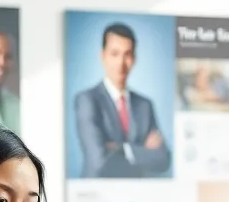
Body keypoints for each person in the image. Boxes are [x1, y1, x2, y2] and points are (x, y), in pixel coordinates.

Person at [73, 23, 171, 178]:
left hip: (136, 194)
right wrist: (142, 152)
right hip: (97, 195)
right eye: (114, 54)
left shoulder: (145, 105)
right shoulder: (87, 100)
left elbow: (163, 159)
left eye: (127, 54)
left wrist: (122, 150)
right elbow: (99, 161)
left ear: (134, 58)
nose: (121, 63)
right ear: (102, 56)